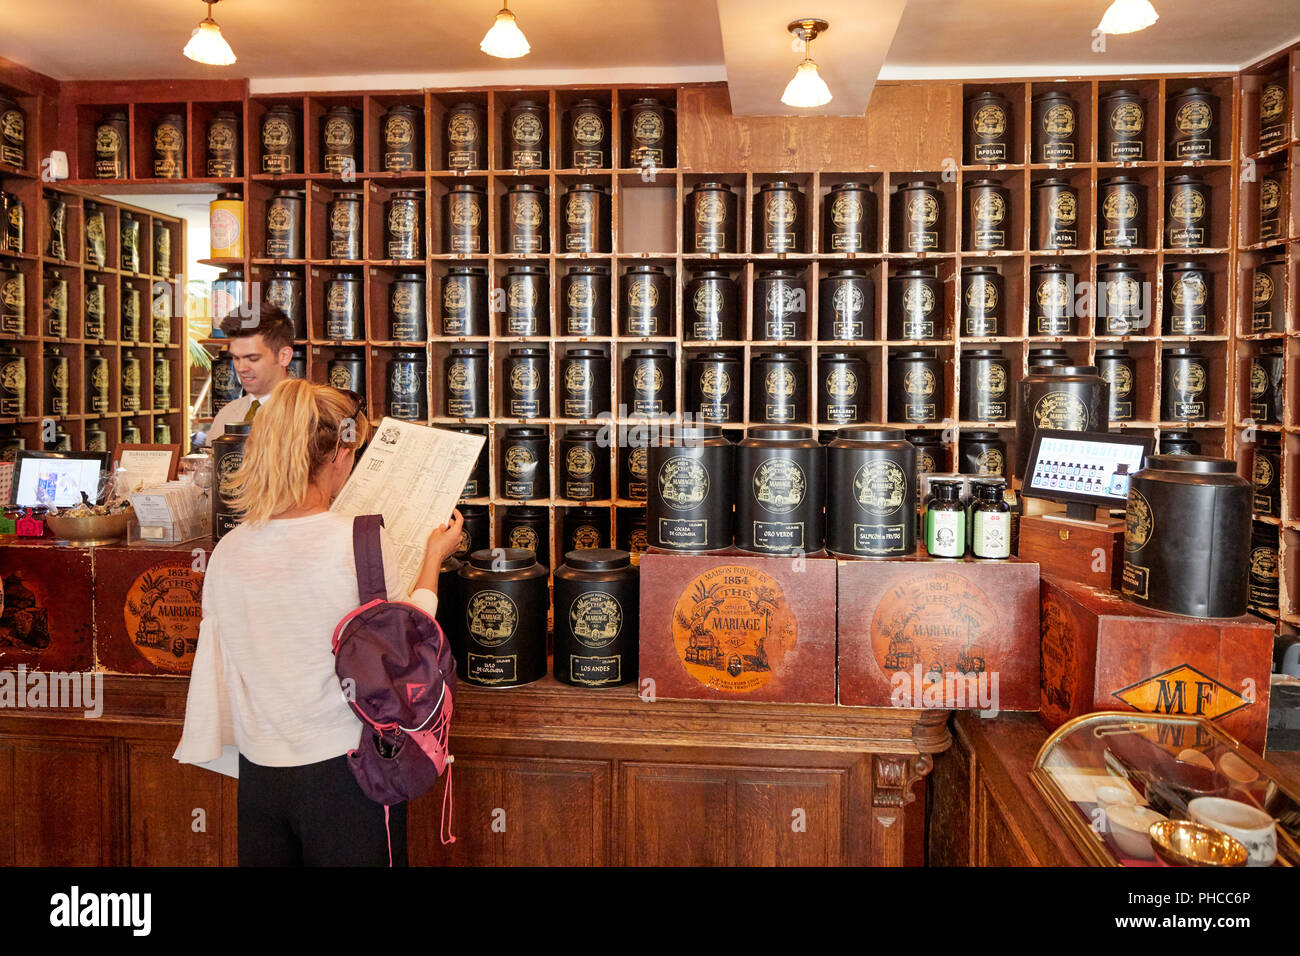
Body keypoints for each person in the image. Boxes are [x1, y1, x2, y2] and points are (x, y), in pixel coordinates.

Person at [174, 379, 464, 866]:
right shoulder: (361, 542)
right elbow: (406, 647)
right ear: (338, 457)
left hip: (261, 776)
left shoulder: (229, 550)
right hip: (350, 772)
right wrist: (434, 556)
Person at [207, 305, 296, 442]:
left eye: (253, 358)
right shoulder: (227, 414)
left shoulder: (308, 414)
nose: (242, 368)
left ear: (284, 356)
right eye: (236, 358)